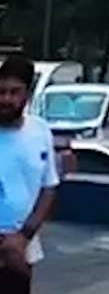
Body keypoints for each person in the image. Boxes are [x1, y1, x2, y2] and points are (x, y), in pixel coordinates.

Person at [0, 57, 60, 294]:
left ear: (28, 94)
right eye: (1, 92)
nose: (6, 99)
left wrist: (24, 236)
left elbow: (49, 187)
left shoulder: (40, 131)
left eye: (14, 92)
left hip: (22, 244)